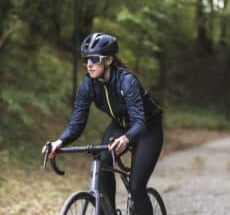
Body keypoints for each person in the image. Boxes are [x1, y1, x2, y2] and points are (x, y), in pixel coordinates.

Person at [43, 33, 163, 215]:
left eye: (93, 59)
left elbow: (139, 122)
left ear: (108, 60)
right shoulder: (87, 85)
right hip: (120, 125)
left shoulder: (126, 81)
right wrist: (59, 142)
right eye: (86, 60)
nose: (89, 64)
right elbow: (77, 124)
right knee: (101, 163)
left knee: (137, 187)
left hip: (147, 128)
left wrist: (127, 138)